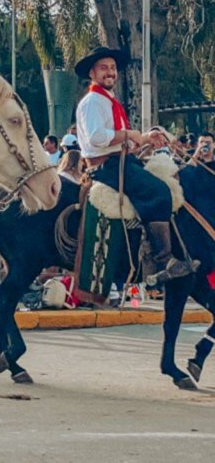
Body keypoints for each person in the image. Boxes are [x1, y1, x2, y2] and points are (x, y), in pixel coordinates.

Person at [75, 46, 197, 285]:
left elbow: (118, 140)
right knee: (159, 192)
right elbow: (97, 138)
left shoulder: (107, 101)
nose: (110, 72)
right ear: (92, 73)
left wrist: (144, 140)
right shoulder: (92, 102)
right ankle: (165, 259)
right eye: (103, 68)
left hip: (120, 160)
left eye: (112, 68)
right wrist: (131, 133)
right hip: (107, 167)